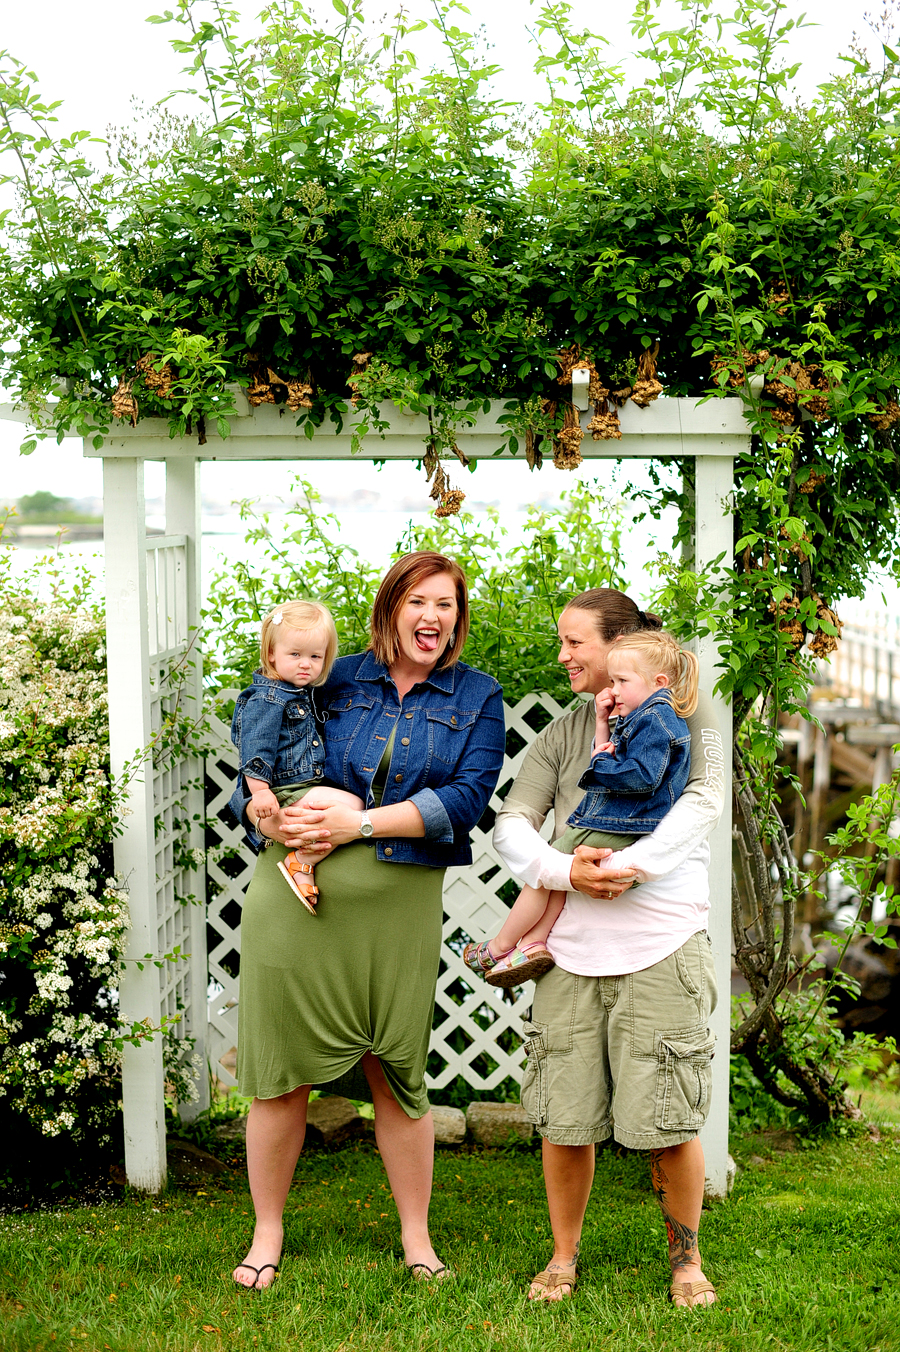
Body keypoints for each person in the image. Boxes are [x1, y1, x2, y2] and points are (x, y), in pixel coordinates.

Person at [229, 552, 505, 1291]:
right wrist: (274, 817)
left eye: (445, 604)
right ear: (390, 609)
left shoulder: (478, 695)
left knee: (398, 1073)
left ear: (457, 617)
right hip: (294, 898)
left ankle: (418, 1239)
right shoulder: (335, 675)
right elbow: (259, 761)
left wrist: (359, 821)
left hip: (396, 908)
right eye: (418, 601)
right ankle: (267, 1232)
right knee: (280, 1076)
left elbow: (468, 799)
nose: (432, 617)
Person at [492, 589, 725, 1308]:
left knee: (669, 1116)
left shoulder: (686, 712)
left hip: (660, 945)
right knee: (565, 1117)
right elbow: (512, 825)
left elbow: (706, 799)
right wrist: (567, 872)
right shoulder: (565, 733)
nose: (562, 656)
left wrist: (635, 867)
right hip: (571, 954)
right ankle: (563, 1257)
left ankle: (686, 1260)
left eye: (574, 642)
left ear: (621, 644)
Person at [466, 630, 698, 987]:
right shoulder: (642, 716)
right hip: (618, 820)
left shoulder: (657, 719)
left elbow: (642, 777)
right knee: (559, 884)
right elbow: (609, 758)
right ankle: (533, 943)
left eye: (622, 681)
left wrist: (603, 766)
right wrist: (603, 725)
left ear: (659, 682)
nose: (614, 689)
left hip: (615, 822)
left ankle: (500, 945)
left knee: (542, 879)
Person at [230, 599, 365, 912]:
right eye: (295, 654)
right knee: (353, 809)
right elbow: (255, 749)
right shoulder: (268, 699)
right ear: (272, 653)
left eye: (315, 656)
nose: (306, 664)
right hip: (283, 790)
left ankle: (304, 860)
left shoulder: (295, 692)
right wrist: (260, 793)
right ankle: (301, 860)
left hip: (297, 786)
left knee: (333, 818)